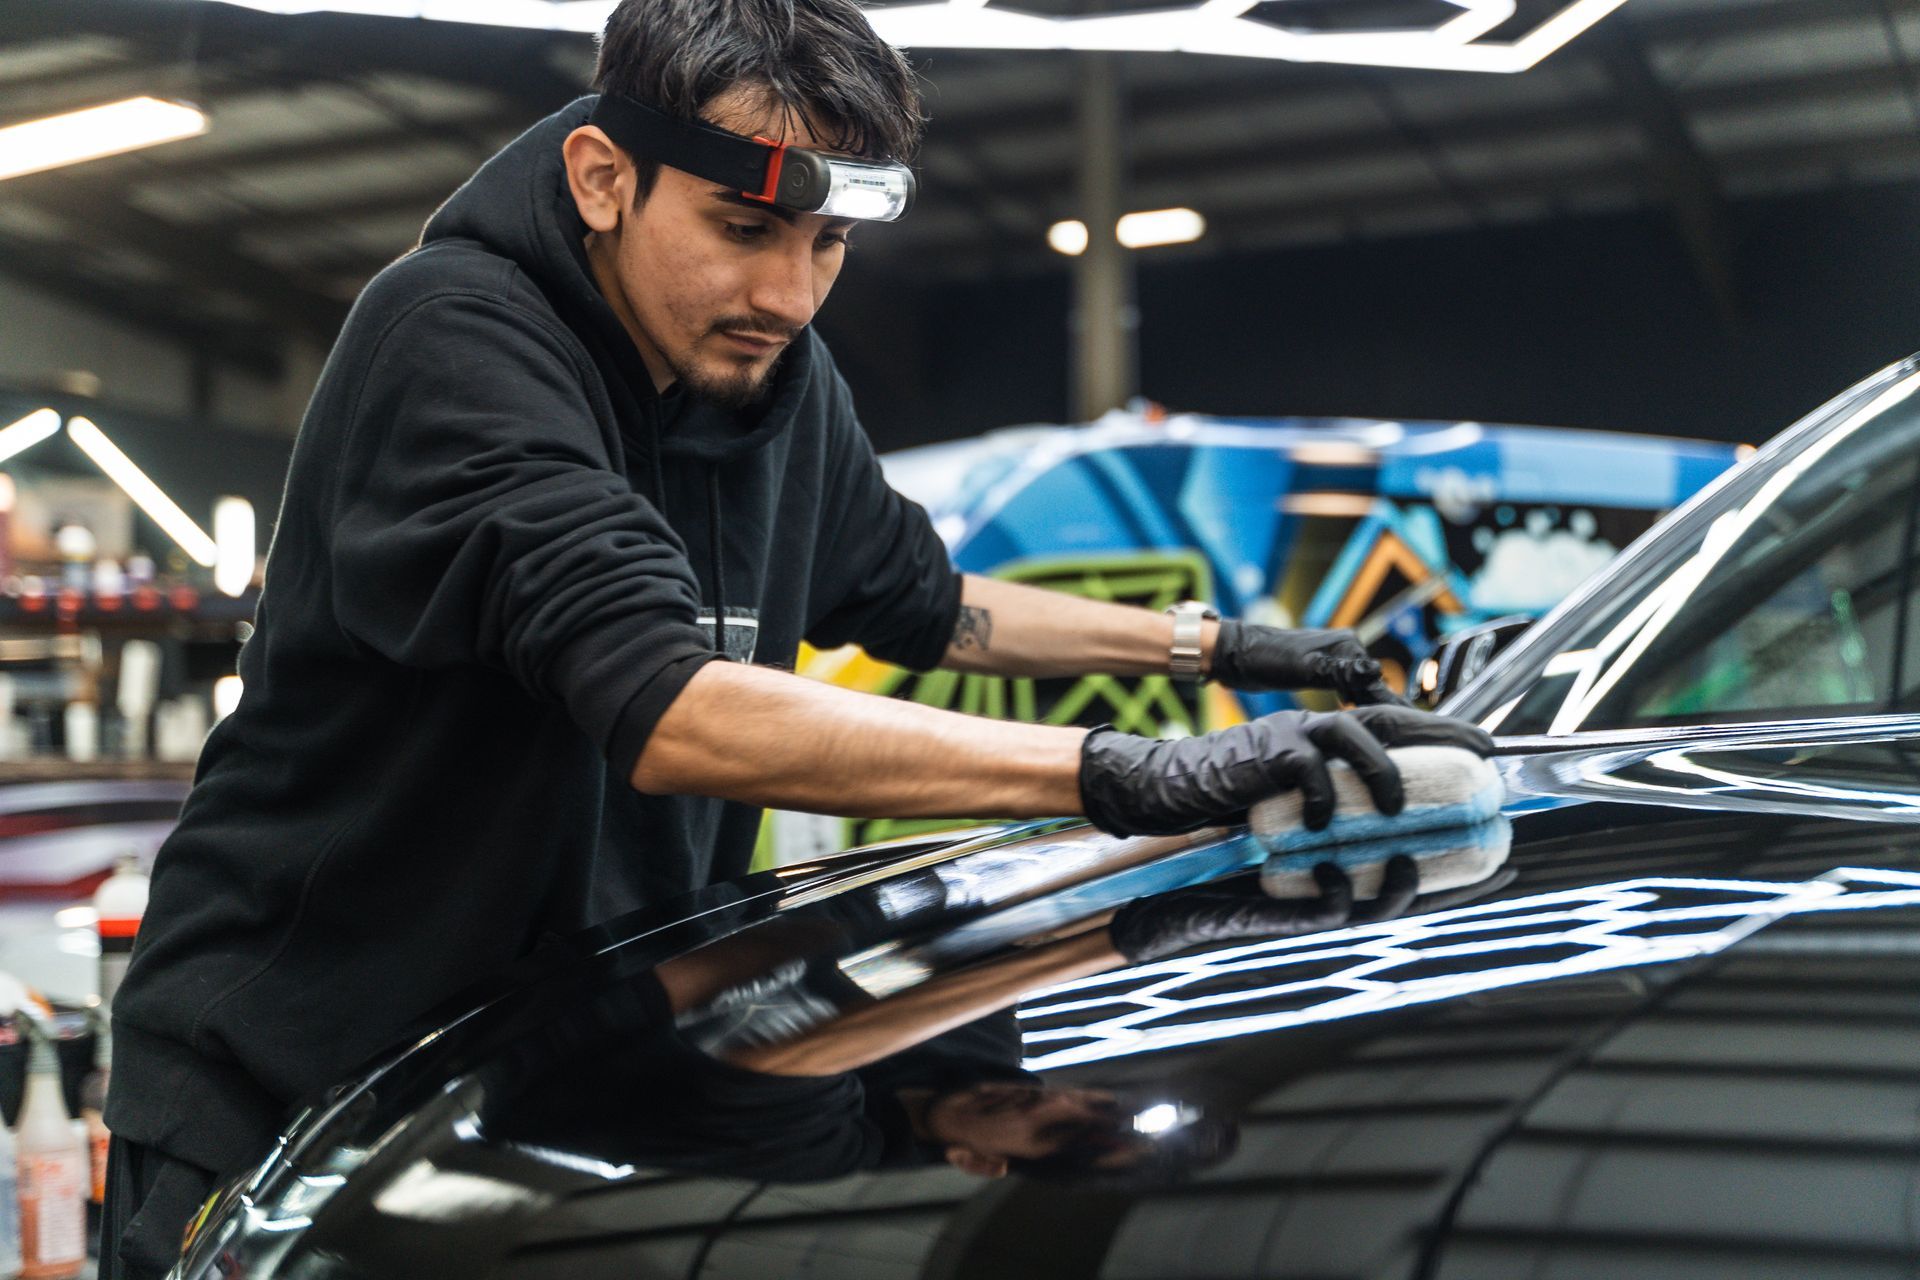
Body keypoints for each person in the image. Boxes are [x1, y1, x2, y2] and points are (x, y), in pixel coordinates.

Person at [99, 0, 1493, 1274]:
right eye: (745, 229)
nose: (791, 291)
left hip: (563, 1075)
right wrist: (1129, 778)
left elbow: (932, 607)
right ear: (601, 179)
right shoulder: (458, 341)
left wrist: (1223, 650)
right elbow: (674, 713)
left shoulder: (771, 373)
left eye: (828, 243)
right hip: (296, 1082)